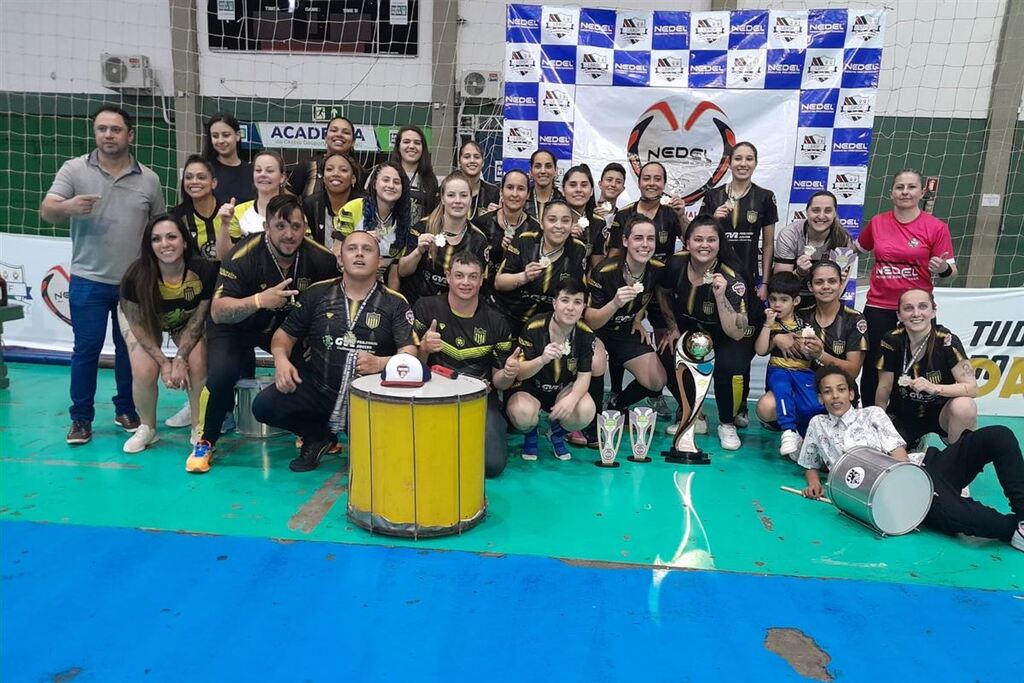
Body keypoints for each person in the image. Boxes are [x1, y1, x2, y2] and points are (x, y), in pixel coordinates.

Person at [40, 105, 167, 445]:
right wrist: (69, 207)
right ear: (95, 132)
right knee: (87, 349)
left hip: (134, 284)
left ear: (130, 134)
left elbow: (160, 230)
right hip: (88, 280)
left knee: (131, 350)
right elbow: (47, 209)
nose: (108, 135)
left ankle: (126, 409)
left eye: (115, 129)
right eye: (102, 129)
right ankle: (81, 418)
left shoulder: (150, 179)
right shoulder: (74, 170)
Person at [185, 195, 339, 474]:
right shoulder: (241, 255)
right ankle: (205, 440)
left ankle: (311, 432)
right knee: (221, 375)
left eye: (295, 226)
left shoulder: (321, 259)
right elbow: (218, 311)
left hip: (283, 329)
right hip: (235, 327)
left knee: (314, 368)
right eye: (280, 226)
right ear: (266, 226)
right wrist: (259, 301)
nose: (289, 234)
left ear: (304, 227)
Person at [799, 365, 1024, 554]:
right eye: (828, 392)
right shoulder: (818, 425)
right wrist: (814, 482)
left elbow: (899, 455)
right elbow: (810, 461)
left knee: (998, 435)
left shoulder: (872, 414)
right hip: (891, 498)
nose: (835, 396)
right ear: (820, 398)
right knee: (965, 517)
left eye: (841, 389)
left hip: (918, 472)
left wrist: (913, 488)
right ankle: (1014, 529)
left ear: (851, 393)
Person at [251, 231, 417, 472]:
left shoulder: (395, 302)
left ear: (379, 260)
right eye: (352, 249)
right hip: (320, 388)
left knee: (379, 463)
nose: (359, 253)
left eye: (367, 249)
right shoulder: (318, 294)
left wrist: (380, 364)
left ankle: (357, 433)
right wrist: (281, 360)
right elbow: (283, 337)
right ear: (340, 259)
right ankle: (317, 435)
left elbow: (409, 356)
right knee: (264, 406)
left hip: (367, 398)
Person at [857, 169, 957, 407]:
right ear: (891, 193)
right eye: (900, 187)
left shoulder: (936, 228)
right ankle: (871, 420)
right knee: (874, 367)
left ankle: (914, 423)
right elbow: (855, 249)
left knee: (921, 367)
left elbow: (952, 273)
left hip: (916, 310)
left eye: (911, 187)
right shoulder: (878, 223)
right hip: (878, 307)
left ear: (922, 192)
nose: (905, 191)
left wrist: (942, 267)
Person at [413, 251, 518, 477]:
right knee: (421, 460)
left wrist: (509, 373)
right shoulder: (425, 308)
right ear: (448, 276)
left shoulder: (497, 321)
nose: (466, 282)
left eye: (472, 277)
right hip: (433, 395)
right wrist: (423, 349)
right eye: (459, 275)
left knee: (492, 466)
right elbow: (410, 367)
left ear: (482, 280)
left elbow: (499, 383)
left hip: (478, 398)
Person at [118, 215, 215, 452]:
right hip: (146, 321)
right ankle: (147, 428)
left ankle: (198, 428)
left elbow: (198, 319)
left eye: (172, 237)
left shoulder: (204, 270)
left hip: (185, 320)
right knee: (144, 369)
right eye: (157, 239)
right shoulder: (135, 276)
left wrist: (180, 358)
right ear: (149, 246)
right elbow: (137, 325)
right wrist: (164, 363)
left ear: (184, 241)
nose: (165, 244)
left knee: (198, 361)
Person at [656, 217, 750, 450]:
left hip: (725, 335)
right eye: (698, 239)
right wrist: (672, 327)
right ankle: (693, 415)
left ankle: (727, 423)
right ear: (687, 242)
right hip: (692, 331)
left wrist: (720, 296)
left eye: (711, 240)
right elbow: (662, 291)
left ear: (720, 244)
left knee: (731, 364)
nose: (704, 245)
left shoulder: (731, 276)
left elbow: (737, 332)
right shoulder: (676, 263)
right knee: (667, 352)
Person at [606, 160, 687, 417]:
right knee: (624, 338)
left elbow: (690, 240)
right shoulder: (624, 214)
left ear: (664, 184)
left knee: (664, 342)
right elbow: (614, 256)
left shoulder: (670, 213)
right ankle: (617, 394)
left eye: (657, 179)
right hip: (629, 288)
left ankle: (658, 393)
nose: (651, 183)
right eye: (646, 178)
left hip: (660, 290)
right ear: (638, 182)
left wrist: (683, 215)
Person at [756, 261, 868, 433]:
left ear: (841, 284)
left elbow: (852, 371)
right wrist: (777, 338)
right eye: (819, 282)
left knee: (822, 404)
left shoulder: (854, 319)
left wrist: (820, 354)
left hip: (833, 392)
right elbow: (768, 339)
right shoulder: (800, 316)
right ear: (810, 286)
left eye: (832, 281)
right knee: (766, 407)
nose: (825, 287)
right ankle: (795, 431)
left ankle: (814, 428)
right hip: (801, 387)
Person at [506, 278, 598, 460]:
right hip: (530, 387)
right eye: (565, 300)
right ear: (555, 303)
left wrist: (572, 398)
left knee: (586, 409)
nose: (570, 307)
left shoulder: (586, 334)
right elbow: (519, 372)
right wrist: (541, 360)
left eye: (577, 302)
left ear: (583, 308)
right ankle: (531, 432)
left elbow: (584, 376)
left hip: (562, 389)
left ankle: (556, 434)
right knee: (522, 414)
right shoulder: (534, 326)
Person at [585, 215, 667, 416]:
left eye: (651, 239)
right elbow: (589, 320)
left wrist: (638, 318)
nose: (645, 245)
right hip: (597, 331)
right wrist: (615, 303)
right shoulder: (604, 271)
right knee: (596, 360)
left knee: (657, 381)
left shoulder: (656, 269)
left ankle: (616, 405)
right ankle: (590, 420)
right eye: (638, 238)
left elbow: (648, 296)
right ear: (625, 241)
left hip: (625, 330)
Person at [875, 288, 978, 447]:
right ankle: (914, 441)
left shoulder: (947, 341)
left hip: (941, 413)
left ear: (933, 311)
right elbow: (884, 387)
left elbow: (972, 389)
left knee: (965, 406)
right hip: (904, 414)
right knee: (884, 450)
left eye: (923, 306)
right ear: (899, 315)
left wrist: (934, 388)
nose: (916, 313)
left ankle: (957, 457)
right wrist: (877, 421)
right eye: (908, 308)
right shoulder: (891, 340)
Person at [754, 272, 824, 457]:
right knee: (782, 389)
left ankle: (801, 437)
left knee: (812, 406)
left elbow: (815, 355)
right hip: (779, 369)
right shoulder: (771, 324)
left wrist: (806, 347)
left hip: (803, 371)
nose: (777, 305)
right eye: (773, 299)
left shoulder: (806, 323)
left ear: (796, 301)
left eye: (783, 300)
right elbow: (761, 350)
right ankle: (788, 431)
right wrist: (769, 328)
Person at [494, 199, 590, 332]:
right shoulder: (524, 240)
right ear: (541, 223)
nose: (559, 226)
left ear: (572, 224)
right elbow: (499, 283)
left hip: (548, 326)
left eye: (565, 221)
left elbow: (578, 293)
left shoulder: (578, 250)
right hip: (510, 317)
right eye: (552, 220)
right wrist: (524, 277)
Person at [396, 171, 491, 304]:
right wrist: (418, 251)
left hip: (454, 312)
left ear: (470, 199)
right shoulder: (422, 227)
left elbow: (481, 286)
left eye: (463, 195)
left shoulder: (479, 240)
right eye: (451, 195)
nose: (457, 201)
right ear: (442, 198)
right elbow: (402, 271)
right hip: (418, 308)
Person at [700, 141, 778, 302]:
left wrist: (764, 283)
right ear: (729, 163)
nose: (743, 164)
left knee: (744, 322)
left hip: (748, 273)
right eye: (738, 159)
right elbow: (698, 235)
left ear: (755, 163)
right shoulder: (713, 195)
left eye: (749, 159)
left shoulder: (765, 196)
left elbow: (768, 244)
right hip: (714, 270)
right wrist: (713, 219)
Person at [332, 161, 413, 285]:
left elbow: (394, 273)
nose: (391, 185)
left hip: (378, 287)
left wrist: (393, 301)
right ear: (374, 184)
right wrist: (362, 239)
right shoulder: (353, 208)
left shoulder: (403, 220)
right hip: (344, 282)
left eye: (396, 182)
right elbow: (337, 254)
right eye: (385, 180)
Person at [773, 191, 856, 301]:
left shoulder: (843, 239)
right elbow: (780, 285)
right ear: (807, 212)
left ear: (835, 213)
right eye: (815, 210)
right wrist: (799, 273)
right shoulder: (789, 235)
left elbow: (840, 287)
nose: (821, 216)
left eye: (828, 211)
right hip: (793, 296)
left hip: (825, 297)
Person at [216, 150, 290, 259]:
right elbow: (224, 257)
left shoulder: (294, 212)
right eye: (258, 170)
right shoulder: (238, 212)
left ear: (282, 177)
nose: (263, 174)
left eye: (269, 171)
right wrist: (224, 224)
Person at [471, 169, 538, 273]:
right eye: (510, 187)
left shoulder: (535, 229)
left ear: (528, 194)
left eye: (521, 189)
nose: (514, 194)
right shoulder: (482, 223)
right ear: (501, 191)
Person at [288, 116, 364, 198]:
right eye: (334, 130)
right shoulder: (307, 165)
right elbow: (287, 202)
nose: (339, 134)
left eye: (346, 132)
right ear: (325, 137)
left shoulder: (360, 172)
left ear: (353, 141)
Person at [301, 151, 361, 247]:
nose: (336, 174)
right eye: (329, 169)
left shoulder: (365, 204)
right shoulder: (311, 204)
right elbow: (307, 243)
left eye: (343, 170)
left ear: (353, 178)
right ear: (324, 178)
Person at [171, 155, 224, 260]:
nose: (194, 181)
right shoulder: (176, 217)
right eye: (188, 177)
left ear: (214, 183)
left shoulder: (230, 211)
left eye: (201, 177)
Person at [561, 164, 609, 267]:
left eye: (584, 185)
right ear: (563, 190)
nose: (578, 190)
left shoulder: (598, 223)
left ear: (591, 191)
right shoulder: (551, 218)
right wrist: (563, 234)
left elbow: (597, 265)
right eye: (573, 185)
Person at [390, 125, 438, 225]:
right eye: (406, 142)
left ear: (422, 148)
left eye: (417, 143)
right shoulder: (383, 174)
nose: (412, 146)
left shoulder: (431, 180)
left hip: (420, 237)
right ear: (398, 147)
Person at [202, 113, 253, 205]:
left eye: (226, 135)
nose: (220, 141)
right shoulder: (205, 170)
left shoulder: (252, 171)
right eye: (215, 136)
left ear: (237, 135)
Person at [456, 140, 500, 219]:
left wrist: (494, 217)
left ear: (483, 162)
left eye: (477, 157)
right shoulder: (447, 190)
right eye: (467, 157)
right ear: (459, 162)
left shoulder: (493, 193)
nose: (472, 161)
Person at [524, 148, 563, 221]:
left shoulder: (563, 201)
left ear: (556, 171)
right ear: (531, 171)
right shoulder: (522, 200)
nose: (543, 171)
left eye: (548, 166)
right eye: (538, 166)